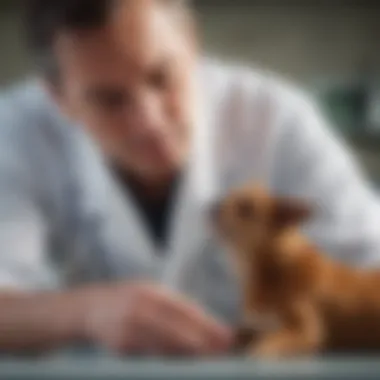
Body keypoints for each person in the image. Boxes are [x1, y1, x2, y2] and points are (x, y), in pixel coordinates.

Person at [0, 0, 379, 356]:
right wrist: (83, 312)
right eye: (109, 100)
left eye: (162, 77)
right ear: (57, 97)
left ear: (192, 43)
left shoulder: (278, 118)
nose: (149, 122)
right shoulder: (14, 133)